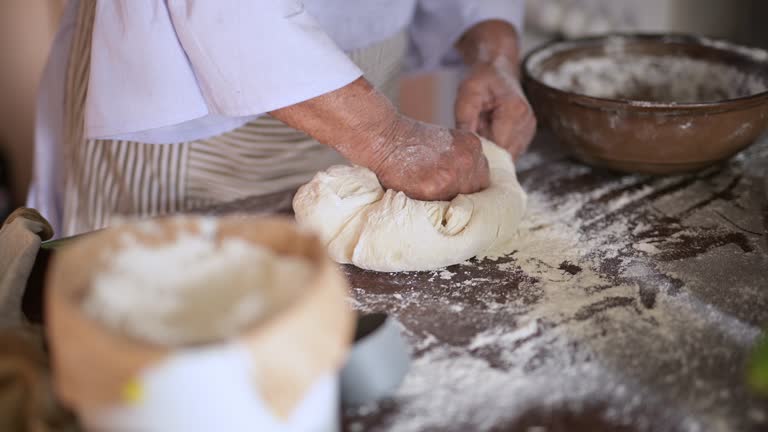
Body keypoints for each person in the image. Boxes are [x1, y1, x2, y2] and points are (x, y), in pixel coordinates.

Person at [28, 0, 536, 238]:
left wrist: (491, 45)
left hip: (363, 91)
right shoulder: (382, 136)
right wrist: (384, 138)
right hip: (185, 111)